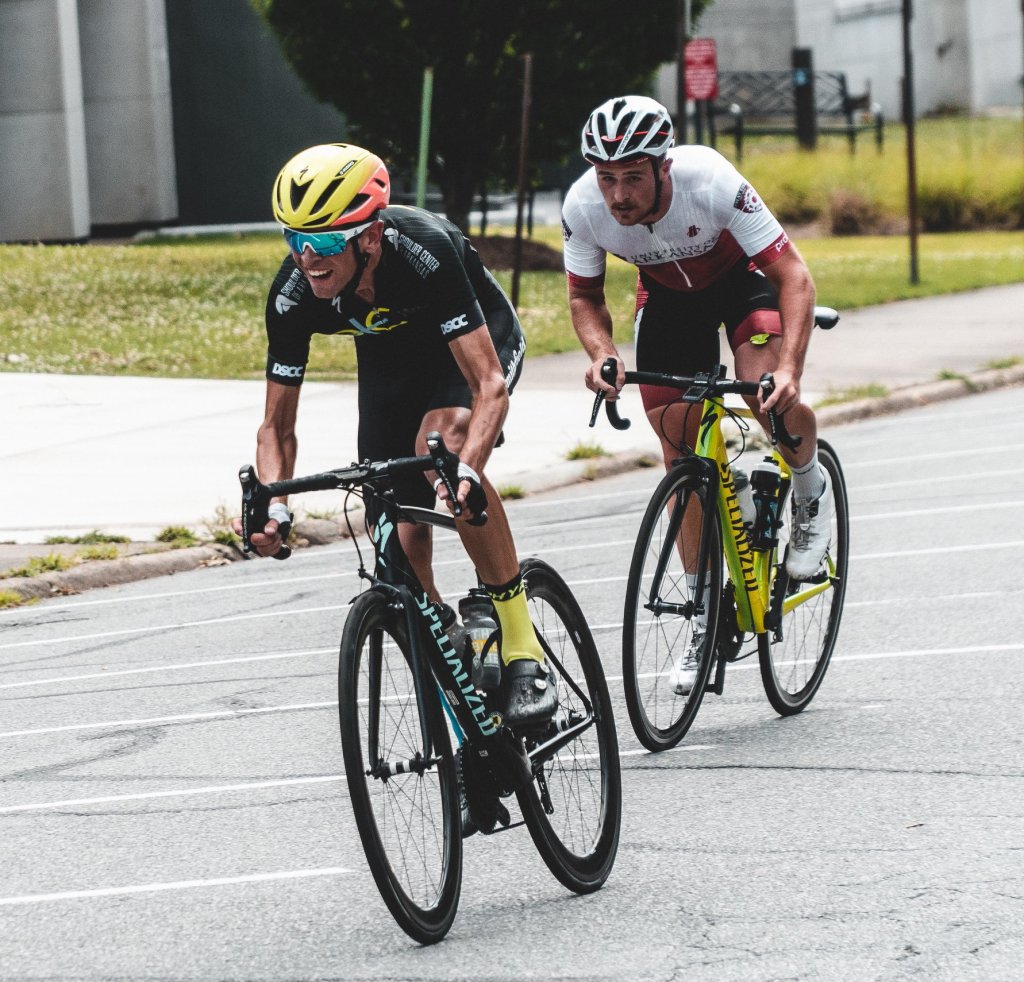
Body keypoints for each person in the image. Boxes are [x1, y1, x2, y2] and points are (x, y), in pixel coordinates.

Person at [234, 142, 554, 728]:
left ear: (372, 237)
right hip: (390, 361)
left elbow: (488, 386)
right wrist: (274, 505)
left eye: (327, 241)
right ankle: (454, 666)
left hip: (474, 343)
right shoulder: (293, 293)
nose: (309, 258)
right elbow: (276, 426)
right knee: (394, 540)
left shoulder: (425, 250)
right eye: (296, 239)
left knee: (441, 451)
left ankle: (521, 646)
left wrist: (465, 472)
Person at [562, 95, 833, 695]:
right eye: (607, 177)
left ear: (664, 165)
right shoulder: (582, 206)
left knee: (764, 392)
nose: (618, 195)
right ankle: (704, 614)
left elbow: (793, 275)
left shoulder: (708, 179)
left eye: (633, 177)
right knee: (677, 446)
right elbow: (584, 296)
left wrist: (790, 369)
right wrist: (602, 353)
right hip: (668, 301)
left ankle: (810, 487)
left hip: (743, 283)